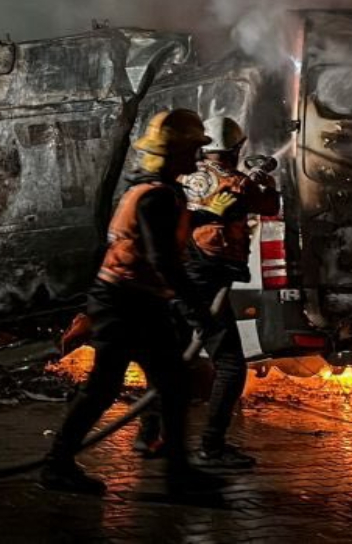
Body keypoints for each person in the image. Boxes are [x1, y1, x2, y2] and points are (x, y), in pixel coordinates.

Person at [40, 109, 222, 496]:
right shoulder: (157, 197)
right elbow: (162, 260)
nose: (198, 158)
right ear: (171, 153)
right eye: (192, 150)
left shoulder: (153, 191)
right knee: (117, 386)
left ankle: (176, 472)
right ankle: (60, 466)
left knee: (164, 385)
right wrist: (197, 308)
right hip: (127, 302)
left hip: (129, 299)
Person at [135, 116, 280, 469]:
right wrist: (264, 181)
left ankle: (149, 432)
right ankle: (212, 446)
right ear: (235, 148)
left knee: (173, 359)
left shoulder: (182, 179)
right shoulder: (236, 183)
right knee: (230, 364)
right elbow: (270, 208)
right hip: (206, 279)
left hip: (177, 273)